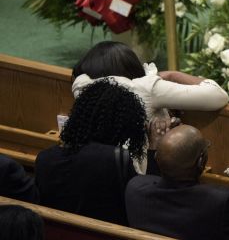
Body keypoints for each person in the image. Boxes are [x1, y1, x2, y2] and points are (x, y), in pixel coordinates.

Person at [71, 41, 229, 172]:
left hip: (92, 171)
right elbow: (218, 96)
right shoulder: (144, 87)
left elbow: (80, 75)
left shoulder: (82, 88)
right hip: (140, 177)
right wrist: (173, 75)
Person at [35, 79, 167, 225]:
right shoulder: (114, 159)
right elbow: (146, 200)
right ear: (121, 128)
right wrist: (155, 147)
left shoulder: (44, 158)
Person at [126, 125, 229, 240]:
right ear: (201, 162)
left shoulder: (135, 189)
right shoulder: (220, 202)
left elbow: (154, 186)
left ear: (156, 158)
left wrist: (157, 148)